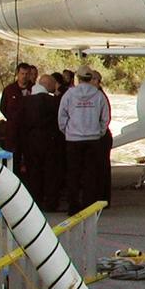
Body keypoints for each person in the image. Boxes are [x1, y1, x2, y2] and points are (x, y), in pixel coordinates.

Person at [58, 64, 110, 215]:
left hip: (73, 139)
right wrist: (99, 132)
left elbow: (62, 115)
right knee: (90, 174)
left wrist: (67, 131)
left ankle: (73, 206)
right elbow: (105, 117)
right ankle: (89, 206)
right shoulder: (99, 95)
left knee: (73, 174)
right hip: (93, 139)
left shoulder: (69, 94)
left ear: (78, 78)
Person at [18, 74, 65, 211]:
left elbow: (20, 123)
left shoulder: (25, 102)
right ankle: (51, 203)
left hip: (31, 141)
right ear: (47, 86)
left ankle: (34, 202)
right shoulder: (53, 101)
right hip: (50, 141)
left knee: (34, 172)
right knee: (51, 173)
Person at [90, 70, 114, 206]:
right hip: (98, 135)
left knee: (101, 169)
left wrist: (99, 132)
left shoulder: (100, 96)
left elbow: (105, 118)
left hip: (101, 136)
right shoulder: (97, 96)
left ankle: (102, 199)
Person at [0, 63, 33, 154]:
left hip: (29, 132)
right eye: (22, 73)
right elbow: (3, 107)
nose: (24, 76)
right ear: (18, 74)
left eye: (27, 74)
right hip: (13, 131)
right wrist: (12, 118)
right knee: (13, 158)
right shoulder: (9, 90)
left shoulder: (34, 89)